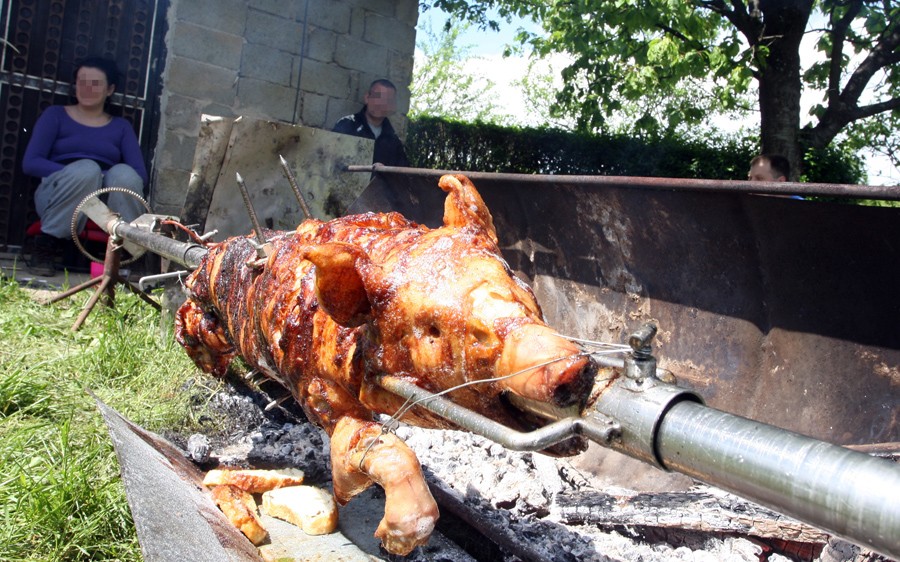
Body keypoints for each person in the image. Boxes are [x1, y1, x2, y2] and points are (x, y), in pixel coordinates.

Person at [22, 56, 148, 276]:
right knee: (86, 170)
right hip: (58, 196)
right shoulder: (55, 116)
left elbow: (139, 175)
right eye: (82, 81)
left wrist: (101, 178)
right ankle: (47, 246)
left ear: (109, 90)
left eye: (95, 83)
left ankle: (129, 250)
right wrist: (83, 175)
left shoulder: (121, 127)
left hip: (104, 203)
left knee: (124, 174)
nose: (87, 88)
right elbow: (31, 162)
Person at [332, 79, 410, 167]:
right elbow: (331, 161)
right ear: (367, 97)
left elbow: (401, 175)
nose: (381, 103)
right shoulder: (347, 125)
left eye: (387, 100)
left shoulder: (394, 141)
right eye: (378, 97)